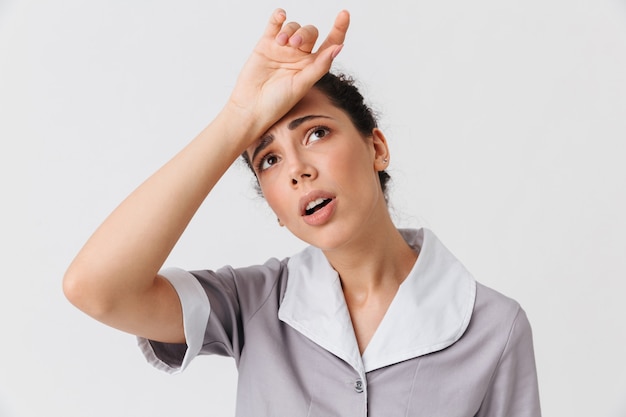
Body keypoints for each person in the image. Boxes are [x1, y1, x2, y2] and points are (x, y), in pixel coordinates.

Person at [63, 8, 541, 416]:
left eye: (315, 133)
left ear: (376, 147)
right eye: (268, 160)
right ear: (275, 209)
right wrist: (238, 117)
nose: (296, 170)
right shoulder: (251, 304)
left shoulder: (494, 328)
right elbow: (96, 288)